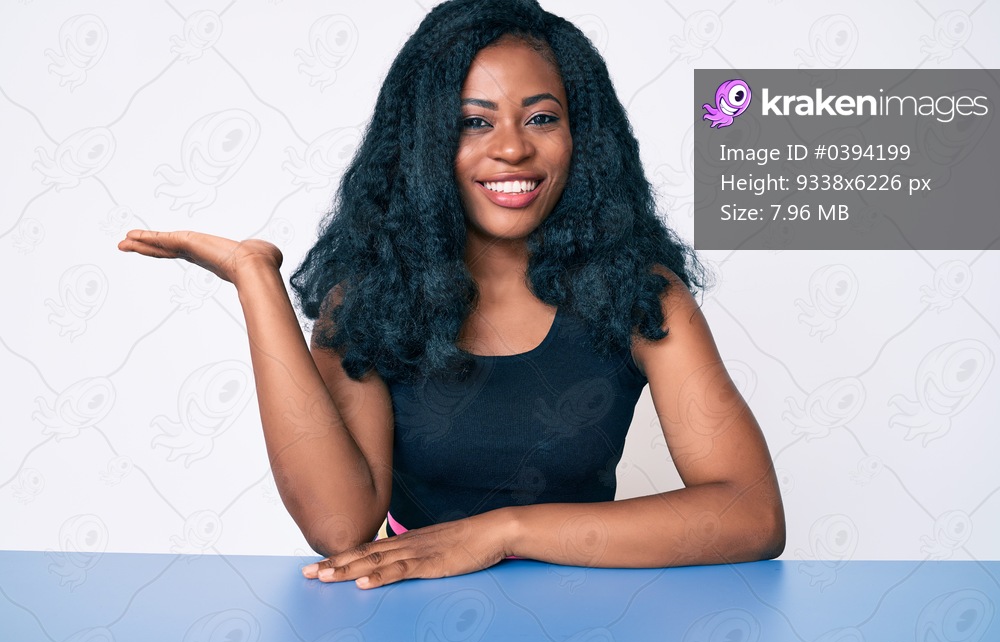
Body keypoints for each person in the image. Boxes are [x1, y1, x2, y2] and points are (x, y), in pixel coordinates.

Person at [118, 0, 784, 589]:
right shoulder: (371, 298)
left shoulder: (642, 295)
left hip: (588, 606)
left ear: (583, 138)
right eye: (474, 122)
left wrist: (503, 533)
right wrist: (255, 279)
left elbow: (751, 515)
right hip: (410, 613)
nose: (513, 149)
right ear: (425, 143)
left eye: (542, 118)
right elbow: (340, 526)